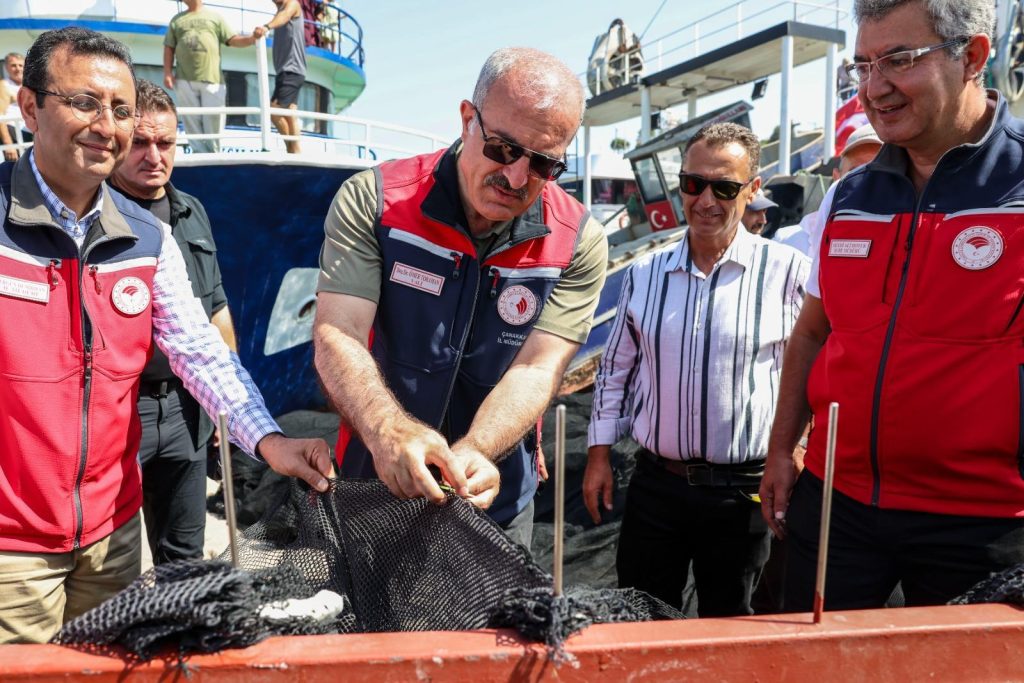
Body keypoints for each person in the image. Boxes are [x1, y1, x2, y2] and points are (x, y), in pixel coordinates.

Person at [0, 27, 331, 644]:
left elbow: (201, 350)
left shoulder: (149, 239)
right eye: (85, 103)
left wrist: (269, 440)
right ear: (29, 106)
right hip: (11, 550)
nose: (107, 125)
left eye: (121, 110)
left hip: (111, 536)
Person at [761, 0, 1024, 611]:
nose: (875, 88)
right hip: (837, 505)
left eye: (899, 61)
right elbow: (811, 335)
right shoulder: (847, 197)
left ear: (974, 57)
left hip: (984, 521)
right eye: (862, 66)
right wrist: (781, 449)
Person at [313, 47, 608, 548]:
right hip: (373, 484)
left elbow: (537, 368)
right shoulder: (376, 202)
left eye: (541, 164)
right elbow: (337, 332)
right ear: (467, 119)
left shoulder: (577, 240)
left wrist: (479, 449)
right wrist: (388, 432)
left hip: (493, 497)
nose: (516, 177)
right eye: (503, 149)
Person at [583, 122, 810, 617]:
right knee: (642, 618)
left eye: (725, 188)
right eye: (693, 184)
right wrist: (599, 455)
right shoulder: (643, 274)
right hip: (657, 487)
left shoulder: (790, 272)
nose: (705, 200)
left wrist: (795, 449)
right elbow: (615, 370)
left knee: (732, 625)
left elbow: (810, 371)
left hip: (746, 490)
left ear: (752, 191)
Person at [108, 80, 238, 565]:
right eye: (140, 142)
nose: (153, 155)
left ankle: (180, 637)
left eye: (164, 142)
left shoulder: (192, 213)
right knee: (110, 560)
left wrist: (227, 404)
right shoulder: (95, 216)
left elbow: (217, 306)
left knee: (185, 555)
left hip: (187, 409)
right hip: (120, 410)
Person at [164, 0, 260, 153]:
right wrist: (168, 73)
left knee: (213, 119)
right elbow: (169, 46)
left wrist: (252, 38)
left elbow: (232, 39)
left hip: (213, 79)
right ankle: (197, 152)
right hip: (184, 79)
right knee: (191, 121)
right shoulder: (177, 20)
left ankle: (213, 153)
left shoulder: (215, 17)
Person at [773, 123, 882, 255]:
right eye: (856, 172)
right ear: (837, 177)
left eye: (879, 172)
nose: (866, 181)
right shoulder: (788, 243)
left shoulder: (906, 245)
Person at [254, 0, 306, 154]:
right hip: (289, 71)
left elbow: (285, 15)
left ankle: (292, 150)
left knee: (274, 111)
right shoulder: (280, 10)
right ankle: (296, 152)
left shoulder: (292, 5)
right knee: (290, 114)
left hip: (291, 69)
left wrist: (266, 27)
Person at [2, 52, 26, 158]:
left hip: (30, 132)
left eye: (21, 65)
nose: (18, 69)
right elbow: (0, 116)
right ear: (6, 67)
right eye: (13, 65)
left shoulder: (29, 84)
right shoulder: (3, 86)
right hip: (14, 135)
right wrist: (9, 145)